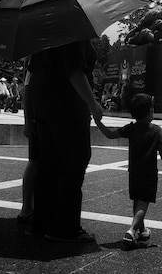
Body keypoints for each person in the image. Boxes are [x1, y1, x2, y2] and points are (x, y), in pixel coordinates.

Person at [25, 40, 104, 242]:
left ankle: (41, 222)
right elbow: (74, 72)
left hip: (43, 106)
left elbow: (32, 76)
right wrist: (93, 104)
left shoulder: (45, 36)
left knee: (49, 164)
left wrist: (30, 116)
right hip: (67, 106)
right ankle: (66, 227)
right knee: (74, 162)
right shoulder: (73, 34)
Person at [93, 93, 162, 245]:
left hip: (134, 172)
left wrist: (98, 122)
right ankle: (132, 230)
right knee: (143, 203)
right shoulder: (156, 130)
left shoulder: (131, 129)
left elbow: (110, 134)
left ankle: (142, 231)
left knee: (137, 201)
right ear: (149, 112)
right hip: (149, 173)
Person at [18, 60, 38, 225]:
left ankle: (30, 208)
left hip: (41, 118)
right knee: (35, 162)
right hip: (38, 120)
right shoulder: (35, 63)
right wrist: (28, 120)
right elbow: (28, 91)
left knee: (37, 162)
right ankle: (27, 208)